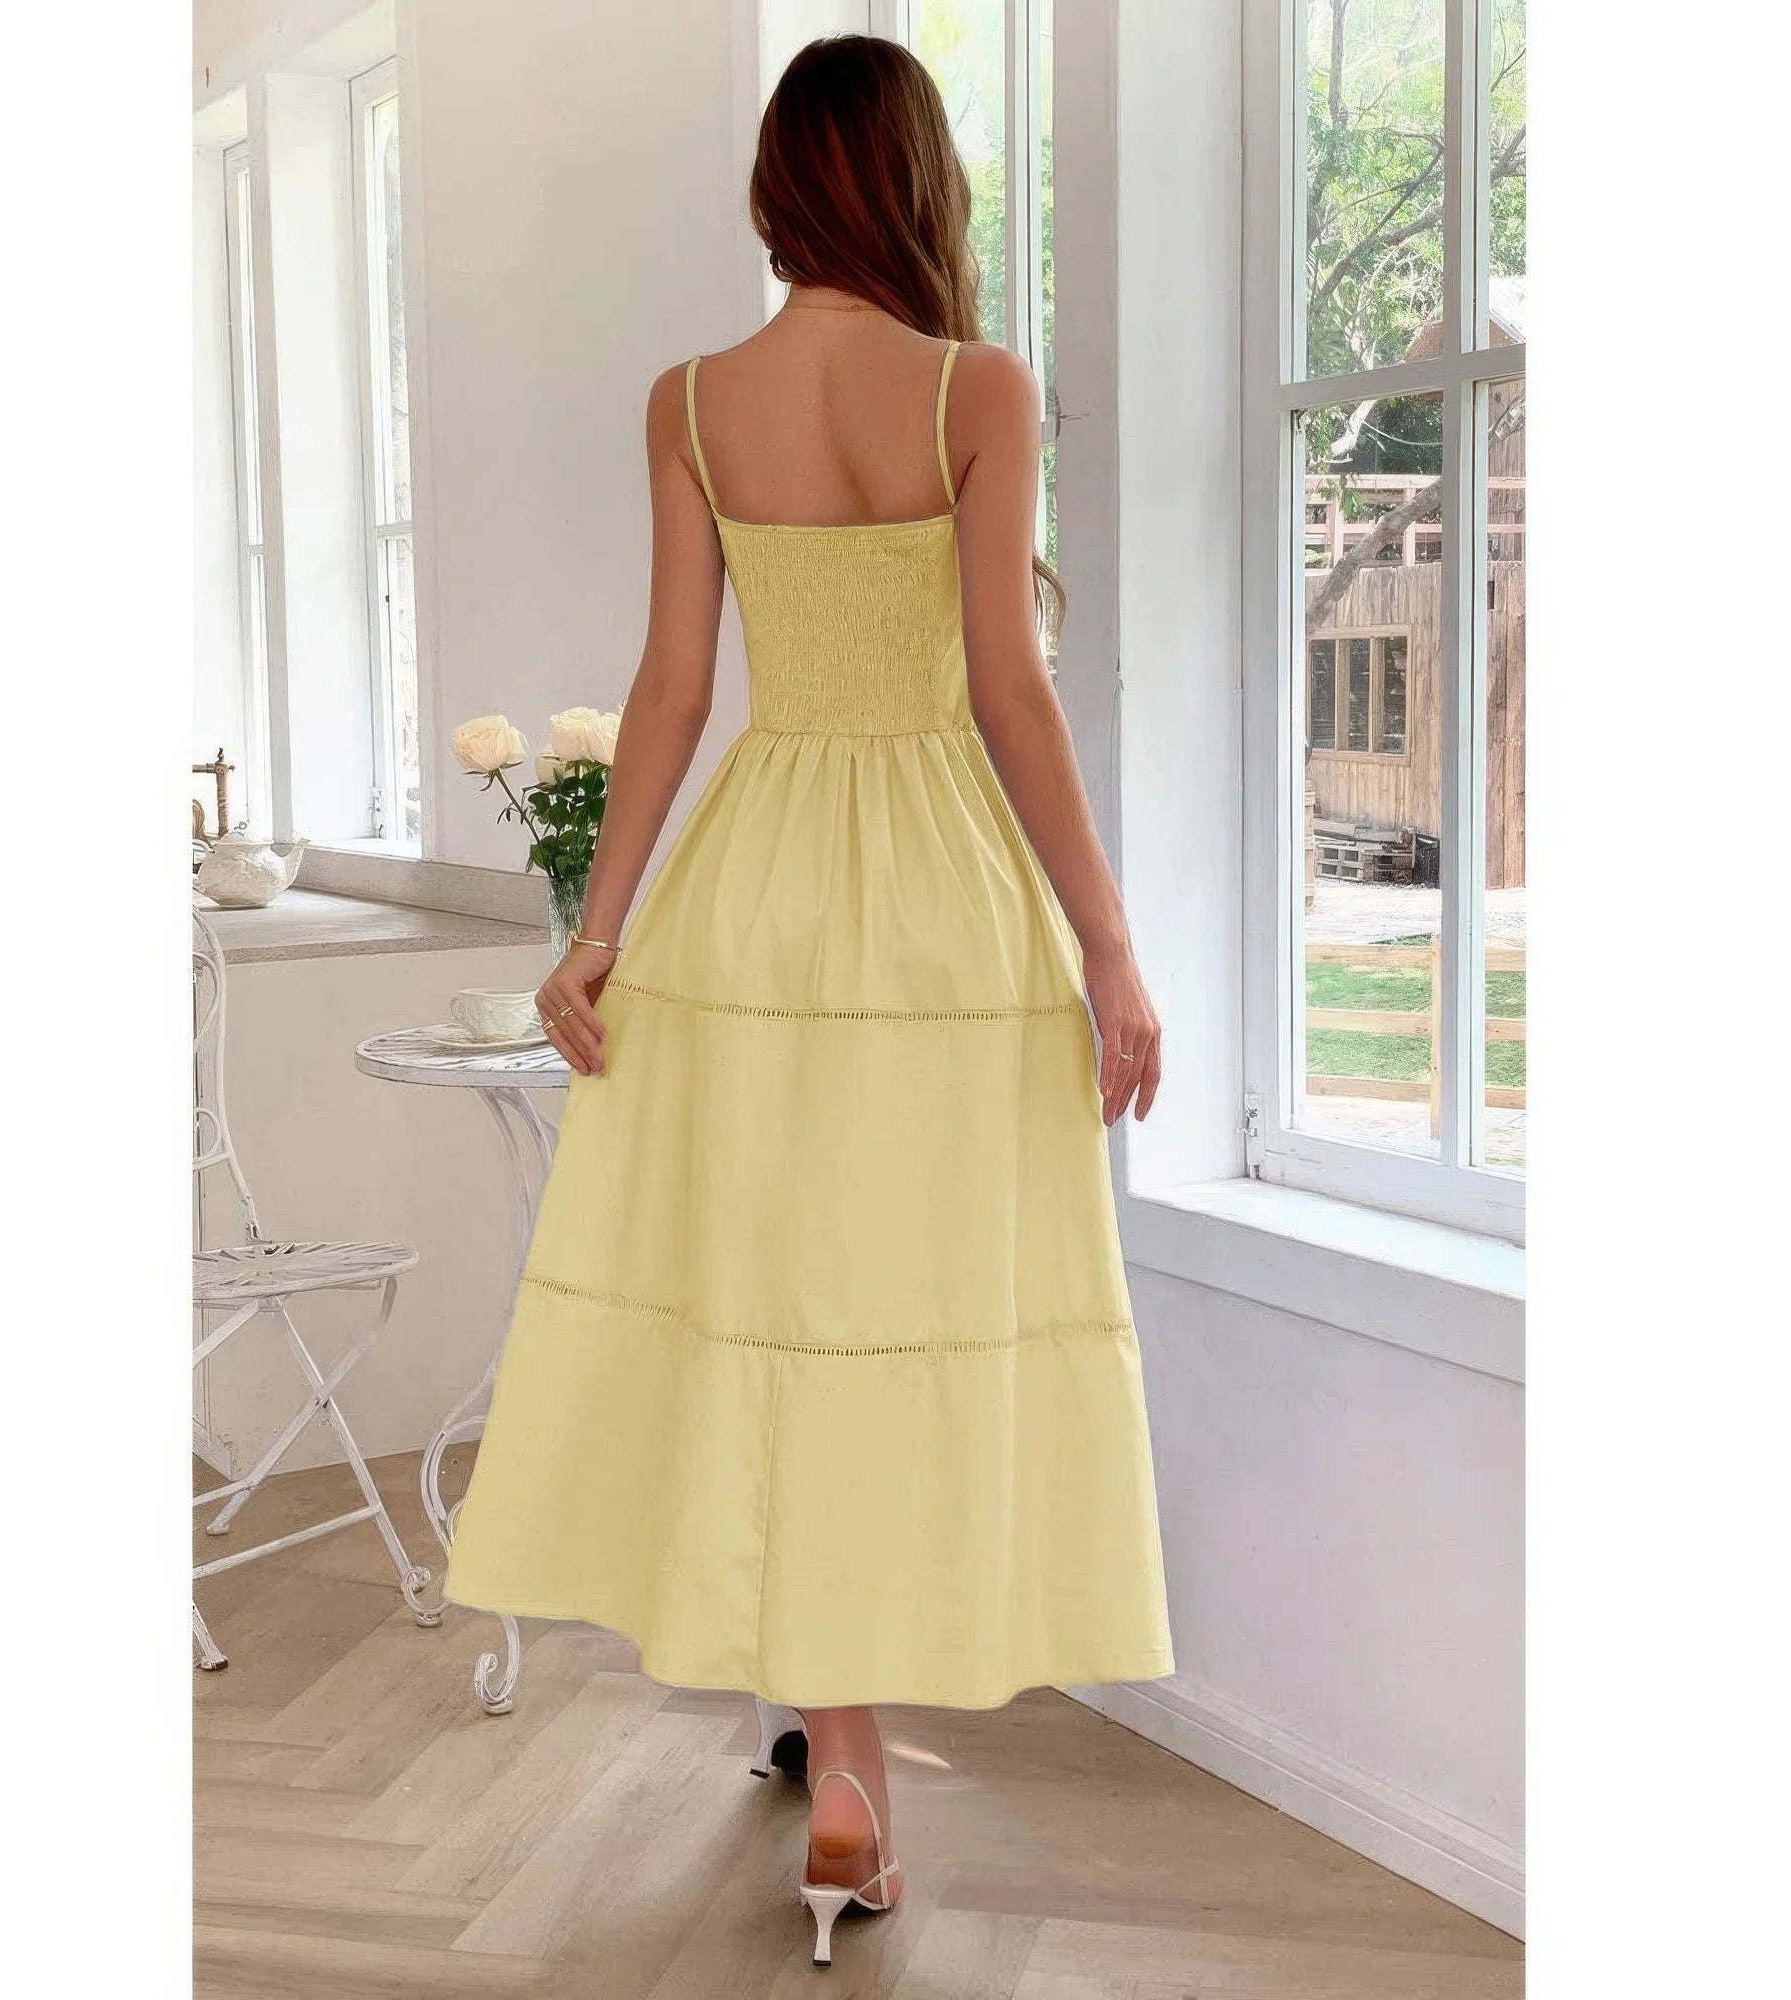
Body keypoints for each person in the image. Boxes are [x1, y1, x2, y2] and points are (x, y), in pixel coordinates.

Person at [443, 32, 1174, 1969]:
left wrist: (600, 929)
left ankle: (844, 1761)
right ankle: (858, 1749)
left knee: (783, 1307)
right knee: (909, 1304)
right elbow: (1011, 692)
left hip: (758, 890)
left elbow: (672, 688)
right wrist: (1105, 940)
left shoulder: (694, 401)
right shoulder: (975, 388)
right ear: (919, 183)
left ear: (783, 183)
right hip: (939, 894)